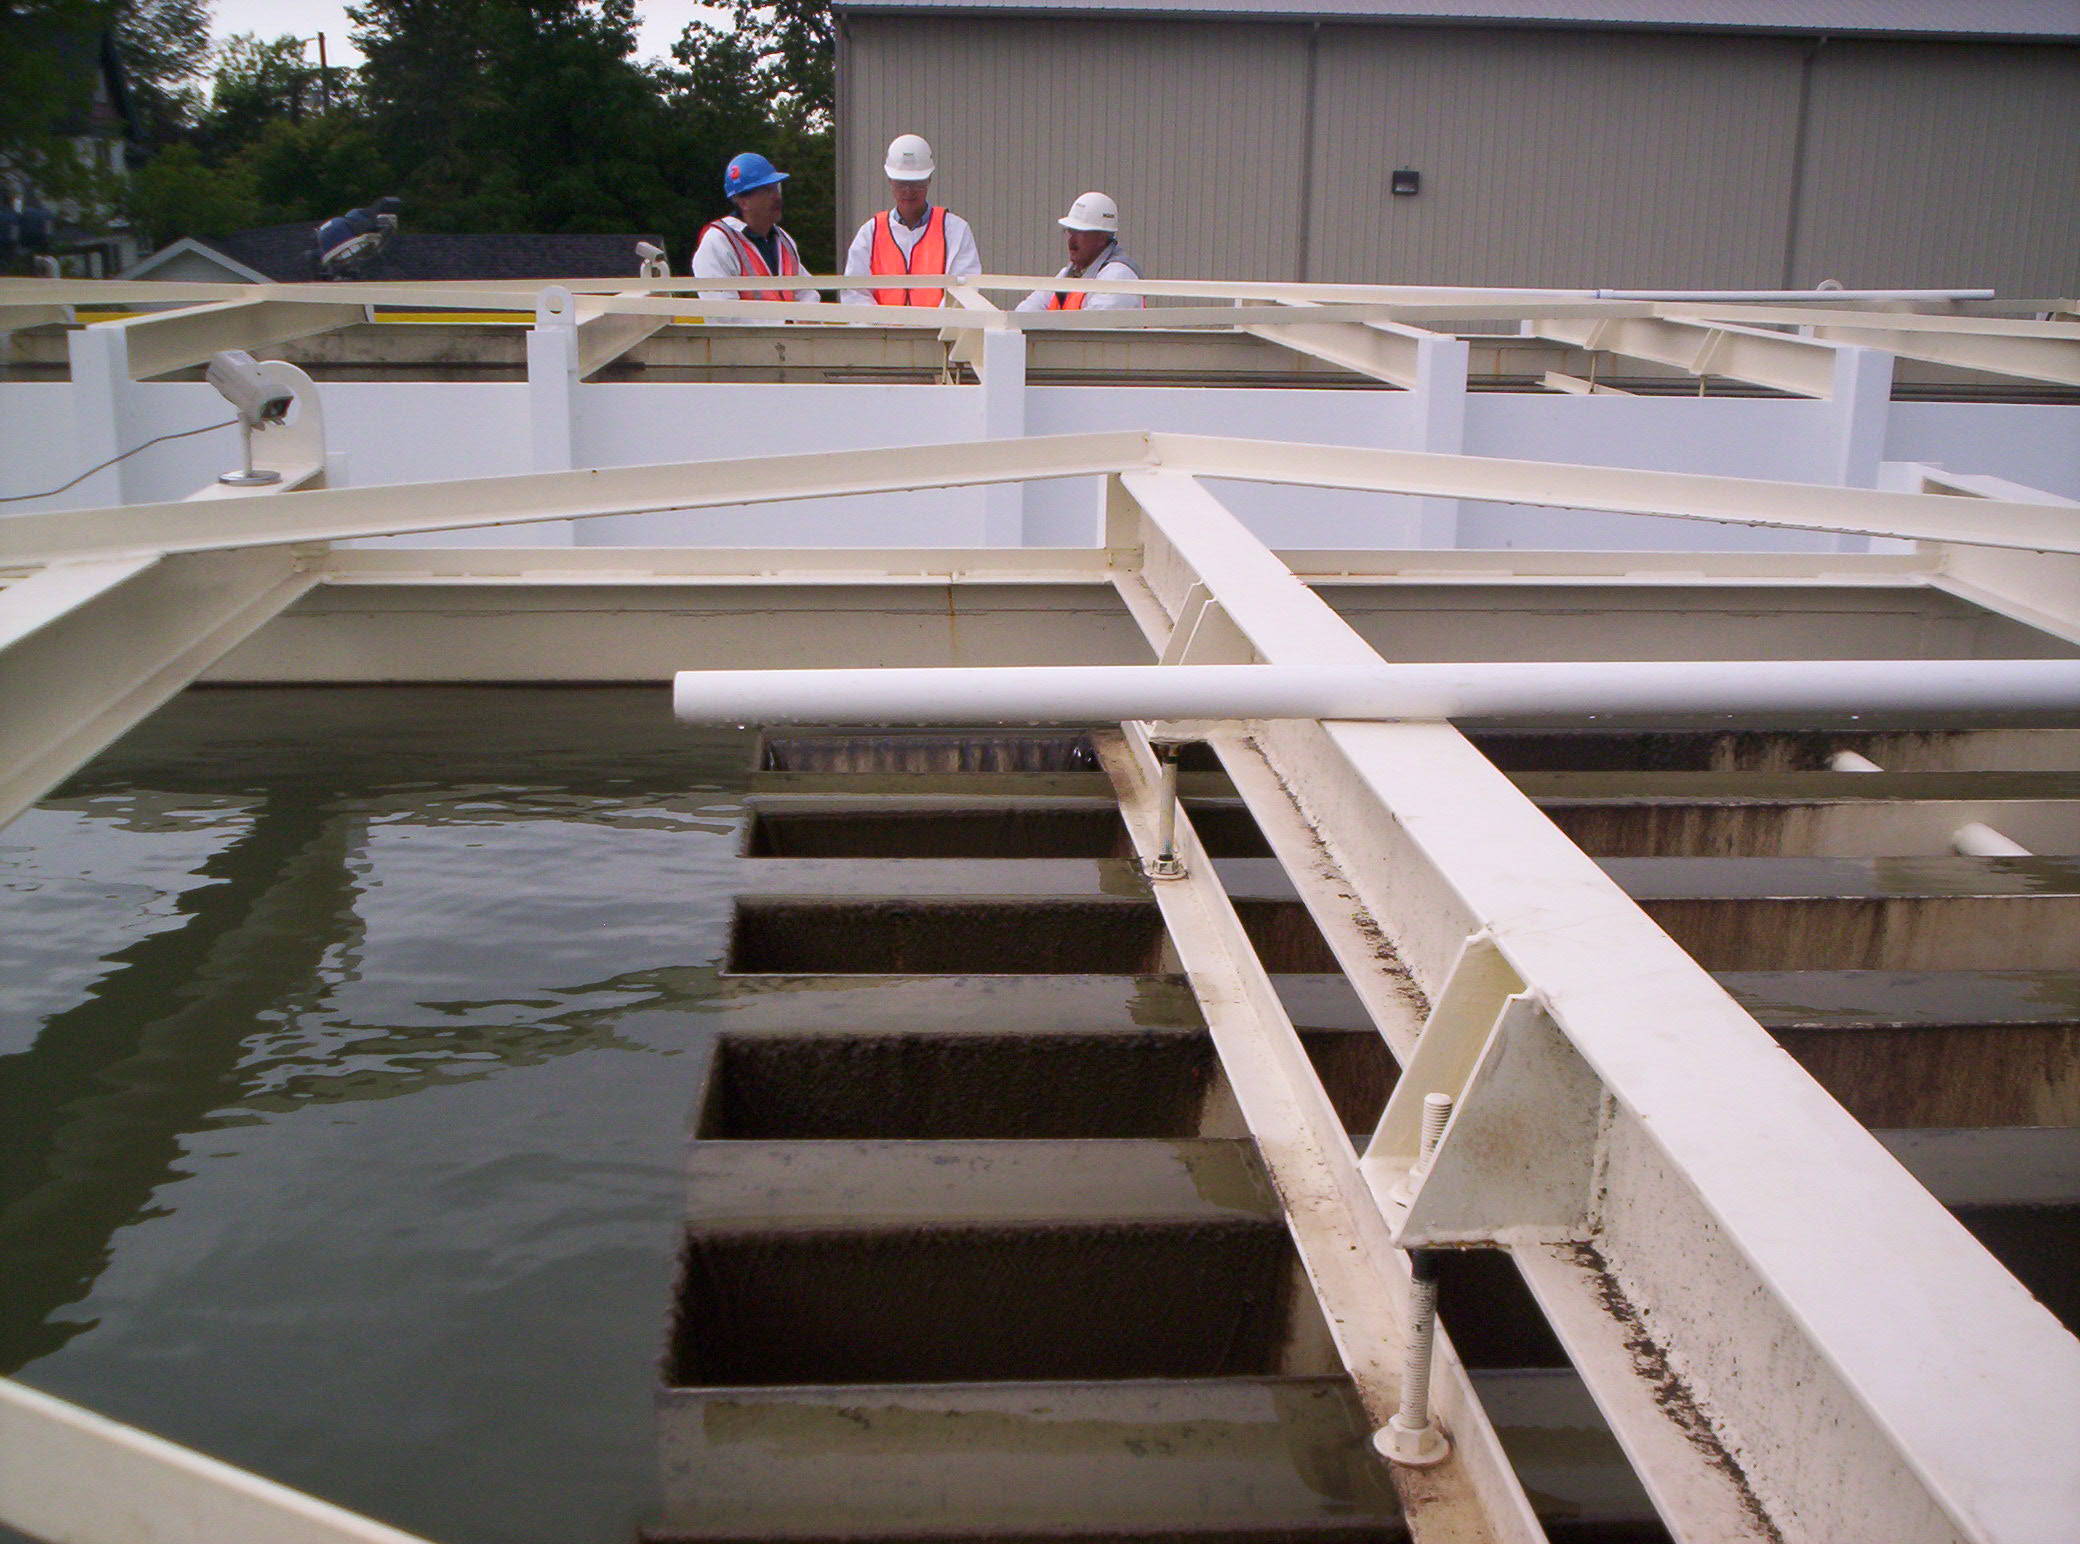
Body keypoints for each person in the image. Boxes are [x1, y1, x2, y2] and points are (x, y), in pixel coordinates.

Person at [839, 134, 982, 308]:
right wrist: (879, 327)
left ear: (929, 180)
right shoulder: (871, 232)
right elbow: (855, 291)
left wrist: (935, 326)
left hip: (939, 332)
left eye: (917, 183)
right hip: (882, 332)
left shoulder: (955, 230)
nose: (908, 191)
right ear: (890, 181)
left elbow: (964, 288)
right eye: (901, 183)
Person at [691, 152, 819, 306]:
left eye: (776, 188)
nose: (777, 197)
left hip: (786, 330)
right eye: (767, 190)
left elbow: (807, 292)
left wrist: (803, 317)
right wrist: (787, 323)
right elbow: (723, 313)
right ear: (743, 202)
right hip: (751, 331)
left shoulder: (783, 239)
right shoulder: (718, 242)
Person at [1016, 192, 1144, 312]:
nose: (1072, 239)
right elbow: (1024, 313)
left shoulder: (1118, 276)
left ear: (1101, 237)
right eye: (1070, 231)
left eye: (1080, 232)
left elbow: (1095, 327)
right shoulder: (1069, 273)